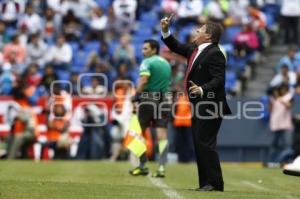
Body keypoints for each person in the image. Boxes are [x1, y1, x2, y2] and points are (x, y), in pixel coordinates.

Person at [160, 15, 231, 191]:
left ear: (208, 36)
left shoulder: (215, 53)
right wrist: (165, 30)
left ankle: (215, 184)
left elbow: (219, 79)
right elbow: (175, 46)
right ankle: (206, 183)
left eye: (200, 30)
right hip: (200, 105)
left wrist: (202, 89)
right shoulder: (194, 48)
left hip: (212, 104)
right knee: (200, 143)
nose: (195, 31)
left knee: (205, 143)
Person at [129, 39, 171, 178]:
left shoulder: (147, 62)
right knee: (162, 135)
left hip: (149, 98)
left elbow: (144, 80)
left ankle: (142, 166)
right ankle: (161, 168)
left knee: (137, 132)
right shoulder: (166, 63)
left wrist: (136, 95)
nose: (143, 51)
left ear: (154, 50)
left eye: (146, 49)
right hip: (165, 99)